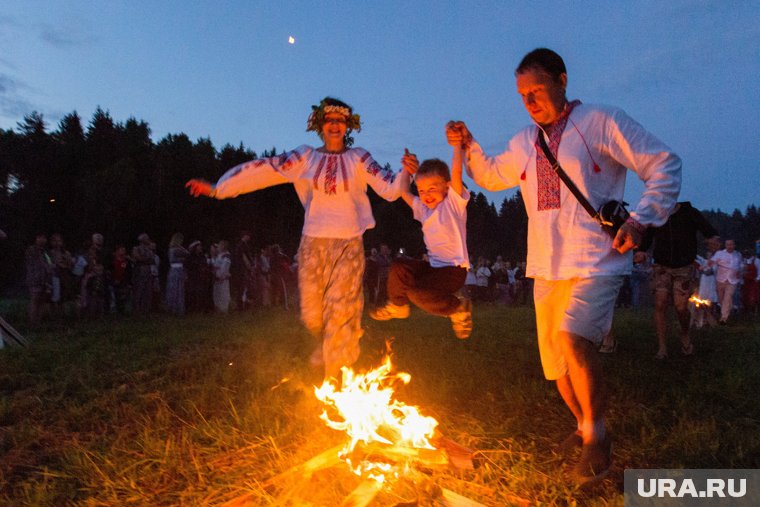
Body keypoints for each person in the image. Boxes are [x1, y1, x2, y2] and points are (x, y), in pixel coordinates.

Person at [446, 48, 681, 485]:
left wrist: (640, 218)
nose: (530, 100)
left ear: (563, 80)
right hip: (547, 262)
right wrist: (469, 144)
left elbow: (663, 163)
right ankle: (583, 425)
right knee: (555, 363)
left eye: (536, 89)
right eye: (522, 95)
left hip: (597, 258)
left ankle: (598, 441)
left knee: (576, 341)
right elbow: (493, 175)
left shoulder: (601, 121)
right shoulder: (524, 141)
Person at [186, 97, 401, 379]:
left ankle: (334, 376)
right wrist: (219, 188)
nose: (335, 125)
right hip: (313, 244)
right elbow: (264, 169)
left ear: (347, 125)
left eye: (340, 121)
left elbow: (389, 188)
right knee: (312, 314)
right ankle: (328, 348)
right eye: (329, 120)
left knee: (341, 311)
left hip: (348, 244)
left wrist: (408, 171)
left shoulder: (358, 158)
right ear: (320, 124)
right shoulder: (305, 158)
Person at [370, 146, 472, 339]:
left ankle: (457, 308)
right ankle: (398, 306)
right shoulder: (424, 209)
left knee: (417, 294)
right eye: (422, 190)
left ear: (447, 187)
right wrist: (408, 170)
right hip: (432, 268)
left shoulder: (453, 205)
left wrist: (457, 147)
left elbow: (457, 172)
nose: (426, 195)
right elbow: (402, 191)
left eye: (432, 189)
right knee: (399, 266)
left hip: (453, 270)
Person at [637, 201, 719, 359]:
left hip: (683, 266)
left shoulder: (689, 212)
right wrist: (641, 251)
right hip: (661, 266)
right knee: (660, 303)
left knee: (681, 307)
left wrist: (713, 238)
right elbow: (647, 238)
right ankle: (662, 348)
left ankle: (685, 333)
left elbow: (707, 229)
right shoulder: (657, 215)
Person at [710, 239, 742, 324]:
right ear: (725, 245)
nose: (730, 246)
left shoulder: (738, 255)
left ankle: (723, 318)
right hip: (720, 279)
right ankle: (729, 308)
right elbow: (712, 262)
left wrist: (740, 271)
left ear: (734, 245)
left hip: (732, 281)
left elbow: (741, 265)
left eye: (731, 244)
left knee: (727, 297)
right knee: (721, 298)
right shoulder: (720, 254)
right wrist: (705, 266)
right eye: (728, 245)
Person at [25, 233, 53, 325]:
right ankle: (32, 322)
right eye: (40, 237)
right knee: (35, 300)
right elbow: (37, 264)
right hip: (35, 279)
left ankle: (38, 322)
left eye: (44, 237)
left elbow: (49, 265)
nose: (42, 239)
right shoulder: (31, 250)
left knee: (42, 301)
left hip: (45, 280)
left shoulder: (45, 252)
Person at [165, 233, 189, 315]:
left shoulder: (173, 249)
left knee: (176, 289)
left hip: (175, 269)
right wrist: (182, 259)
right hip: (177, 269)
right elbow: (187, 253)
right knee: (177, 289)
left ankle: (174, 308)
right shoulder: (175, 249)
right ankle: (176, 308)